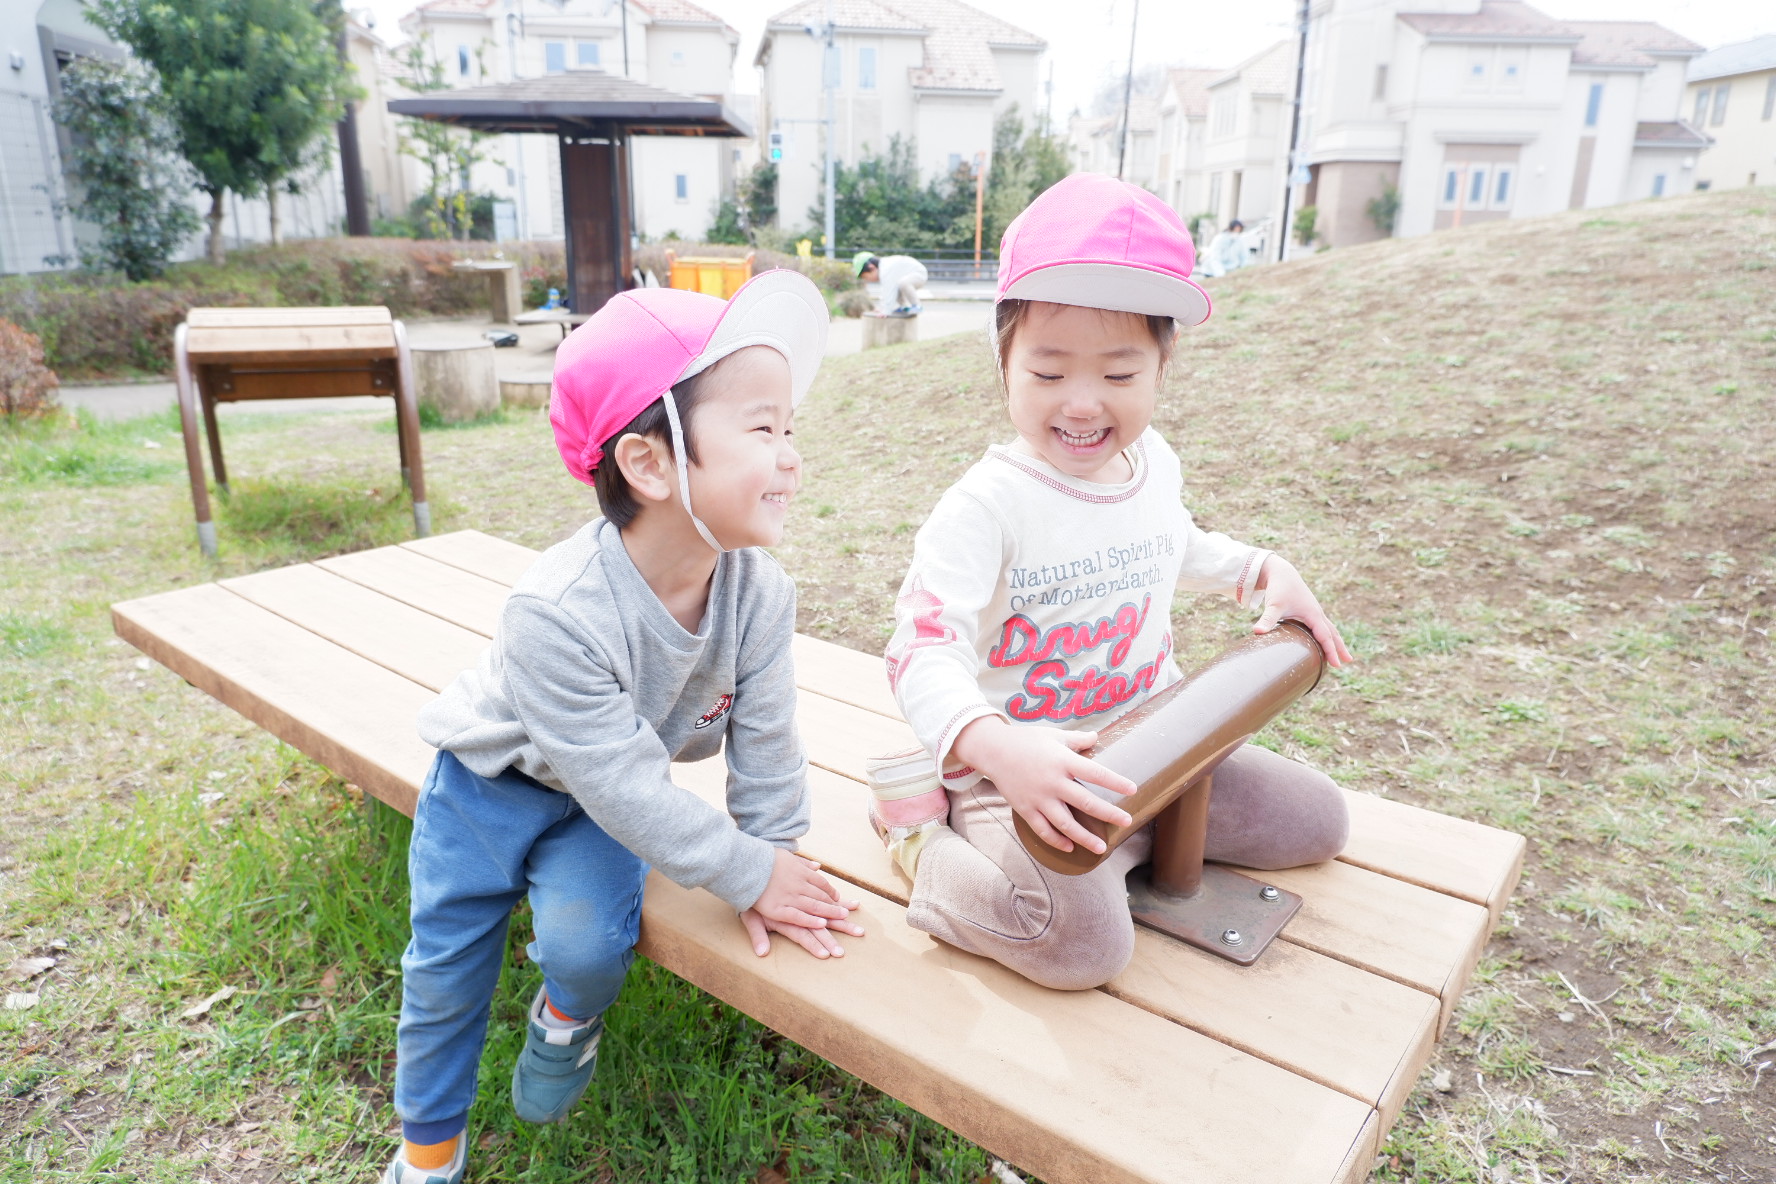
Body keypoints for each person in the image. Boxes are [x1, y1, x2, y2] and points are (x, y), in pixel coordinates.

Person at [383, 270, 864, 1184]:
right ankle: (428, 1151)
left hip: (600, 806)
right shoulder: (555, 614)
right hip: (487, 791)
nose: (792, 456)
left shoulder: (760, 593)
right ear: (649, 463)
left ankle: (565, 1020)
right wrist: (743, 868)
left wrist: (771, 861)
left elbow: (767, 740)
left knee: (587, 949)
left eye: (790, 428)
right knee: (444, 974)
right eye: (763, 429)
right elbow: (626, 784)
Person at [875, 173, 1353, 992]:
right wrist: (995, 748)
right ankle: (916, 835)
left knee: (1320, 822)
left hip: (1156, 747)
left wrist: (1260, 570)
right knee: (1079, 950)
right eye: (1049, 372)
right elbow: (919, 651)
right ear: (1004, 362)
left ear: (1163, 367)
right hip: (1023, 771)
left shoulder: (1152, 462)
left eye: (1120, 376)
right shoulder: (985, 507)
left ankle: (1127, 846)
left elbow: (1171, 543)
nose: (1083, 404)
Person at [852, 251, 927, 317]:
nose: (867, 280)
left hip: (918, 274)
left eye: (866, 277)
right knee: (897, 286)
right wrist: (881, 308)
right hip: (908, 276)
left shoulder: (886, 269)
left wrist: (886, 311)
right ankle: (904, 307)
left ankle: (917, 306)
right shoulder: (885, 268)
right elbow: (886, 291)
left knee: (902, 283)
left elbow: (889, 291)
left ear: (871, 267)